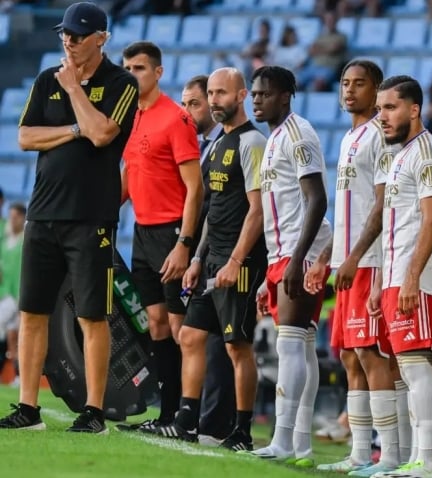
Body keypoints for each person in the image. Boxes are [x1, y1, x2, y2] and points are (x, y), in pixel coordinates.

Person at [0, 2, 138, 433]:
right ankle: (29, 408)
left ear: (102, 38)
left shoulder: (122, 83)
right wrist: (74, 129)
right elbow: (24, 137)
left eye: (78, 35)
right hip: (43, 213)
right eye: (65, 34)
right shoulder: (46, 80)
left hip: (92, 219)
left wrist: (75, 92)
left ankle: (93, 411)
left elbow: (103, 134)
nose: (69, 41)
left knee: (91, 316)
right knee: (32, 312)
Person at [152, 67, 267, 452]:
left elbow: (257, 209)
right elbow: (211, 207)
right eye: (212, 94)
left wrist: (236, 259)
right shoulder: (217, 144)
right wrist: (198, 256)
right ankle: (186, 419)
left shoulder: (252, 143)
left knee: (238, 347)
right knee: (190, 335)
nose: (215, 101)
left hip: (240, 262)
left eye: (222, 94)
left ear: (241, 95)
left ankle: (243, 430)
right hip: (213, 258)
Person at [306, 60, 411, 476]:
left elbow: (382, 206)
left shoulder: (379, 138)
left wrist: (353, 260)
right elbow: (351, 212)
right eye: (345, 83)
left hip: (370, 262)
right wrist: (327, 255)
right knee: (351, 357)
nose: (349, 91)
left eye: (359, 84)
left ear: (377, 89)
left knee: (373, 356)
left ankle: (391, 456)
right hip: (350, 261)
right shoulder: (350, 137)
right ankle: (359, 453)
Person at [116, 40, 203, 432]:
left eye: (139, 68)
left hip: (171, 232)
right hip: (141, 230)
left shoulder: (176, 118)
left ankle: (184, 415)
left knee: (179, 327)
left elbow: (195, 187)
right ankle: (165, 414)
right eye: (128, 68)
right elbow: (130, 174)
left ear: (158, 72)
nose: (132, 75)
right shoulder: (129, 116)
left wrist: (184, 243)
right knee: (154, 322)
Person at [368, 75, 432, 478]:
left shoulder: (429, 154)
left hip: (416, 278)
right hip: (397, 276)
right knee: (406, 367)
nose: (381, 116)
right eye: (379, 109)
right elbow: (395, 223)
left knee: (417, 366)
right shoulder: (401, 154)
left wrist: (411, 277)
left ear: (414, 109)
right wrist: (383, 278)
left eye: (390, 107)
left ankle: (430, 461)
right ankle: (417, 458)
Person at [248, 66, 332, 466]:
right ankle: (300, 445)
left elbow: (317, 199)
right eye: (254, 93)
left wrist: (299, 260)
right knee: (302, 347)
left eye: (264, 94)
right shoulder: (276, 138)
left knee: (290, 342)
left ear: (285, 96)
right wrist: (271, 272)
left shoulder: (299, 135)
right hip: (284, 254)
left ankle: (282, 440)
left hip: (301, 253)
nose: (256, 99)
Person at [180, 74, 235, 446]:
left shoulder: (234, 145)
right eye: (184, 104)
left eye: (195, 103)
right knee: (196, 336)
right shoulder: (205, 148)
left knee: (223, 345)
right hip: (203, 251)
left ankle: (217, 424)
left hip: (228, 254)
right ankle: (193, 417)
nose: (188, 111)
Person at [0, 203, 26, 386]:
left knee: (17, 337)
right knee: (12, 339)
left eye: (16, 216)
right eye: (11, 216)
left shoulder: (25, 240)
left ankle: (19, 375)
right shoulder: (7, 241)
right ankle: (17, 376)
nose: (12, 220)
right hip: (6, 292)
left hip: (18, 294)